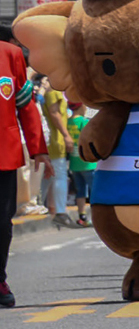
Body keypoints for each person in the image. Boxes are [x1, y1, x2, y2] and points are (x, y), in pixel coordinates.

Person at [0, 28, 50, 307]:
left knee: (1, 223)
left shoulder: (10, 54)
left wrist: (38, 148)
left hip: (2, 155)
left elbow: (25, 104)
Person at [41, 82, 75, 228]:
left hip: (53, 138)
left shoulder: (53, 90)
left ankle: (48, 206)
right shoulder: (53, 90)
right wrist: (66, 135)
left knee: (50, 176)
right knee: (59, 175)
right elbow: (54, 113)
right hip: (55, 139)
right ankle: (61, 212)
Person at [66, 102, 95, 227]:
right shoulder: (84, 122)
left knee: (80, 191)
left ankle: (82, 216)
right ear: (82, 107)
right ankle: (98, 217)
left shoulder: (67, 122)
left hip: (74, 163)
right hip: (88, 164)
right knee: (95, 190)